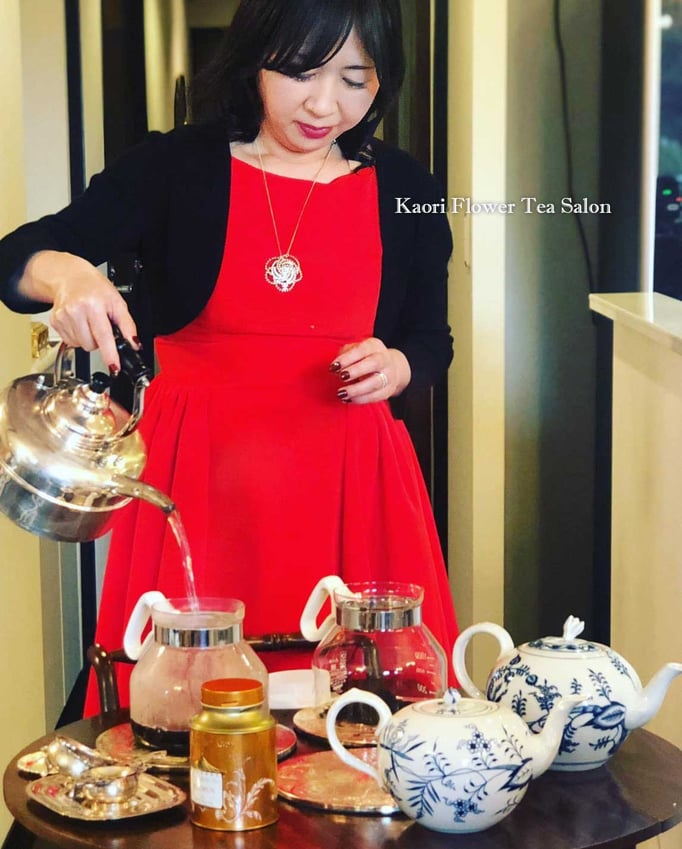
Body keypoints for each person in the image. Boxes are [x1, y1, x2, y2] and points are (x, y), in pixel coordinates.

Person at [0, 0, 458, 713]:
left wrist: (399, 366)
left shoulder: (406, 189)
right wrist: (67, 275)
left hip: (353, 476)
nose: (325, 105)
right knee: (185, 711)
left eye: (354, 80)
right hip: (200, 476)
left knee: (366, 712)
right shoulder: (175, 167)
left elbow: (432, 339)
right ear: (256, 58)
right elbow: (19, 256)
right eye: (301, 72)